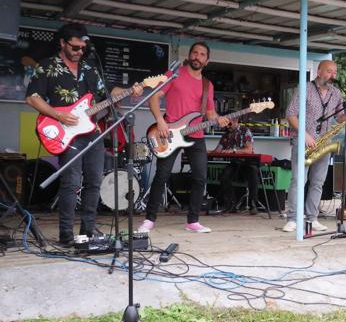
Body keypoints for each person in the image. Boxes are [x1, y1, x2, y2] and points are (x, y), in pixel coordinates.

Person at [25, 23, 143, 246]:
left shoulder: (90, 68)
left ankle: (87, 232)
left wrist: (131, 90)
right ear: (62, 43)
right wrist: (59, 116)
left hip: (93, 131)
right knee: (71, 183)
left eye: (83, 48)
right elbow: (32, 97)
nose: (80, 52)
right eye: (75, 47)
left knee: (94, 182)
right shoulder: (48, 66)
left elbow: (108, 94)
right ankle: (66, 236)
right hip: (66, 133)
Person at [138, 42, 228, 233]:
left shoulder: (207, 85)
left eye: (202, 54)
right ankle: (149, 219)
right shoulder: (175, 74)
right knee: (162, 175)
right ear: (189, 55)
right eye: (195, 53)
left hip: (196, 136)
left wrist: (219, 119)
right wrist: (160, 121)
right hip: (169, 132)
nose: (197, 57)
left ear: (207, 60)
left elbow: (210, 113)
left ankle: (193, 221)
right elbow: (154, 97)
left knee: (200, 178)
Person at [282, 60, 346, 232]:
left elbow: (338, 117)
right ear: (319, 71)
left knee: (318, 183)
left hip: (324, 142)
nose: (333, 75)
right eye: (329, 71)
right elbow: (291, 114)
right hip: (304, 140)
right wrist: (305, 135)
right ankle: (293, 218)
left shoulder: (336, 93)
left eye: (335, 72)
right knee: (299, 180)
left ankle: (312, 217)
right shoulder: (305, 88)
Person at [213, 113, 259, 215]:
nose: (227, 125)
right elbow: (217, 151)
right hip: (234, 163)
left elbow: (248, 150)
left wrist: (233, 151)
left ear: (235, 120)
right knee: (224, 176)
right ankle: (231, 204)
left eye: (229, 123)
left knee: (253, 174)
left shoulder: (245, 131)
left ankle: (253, 204)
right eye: (226, 123)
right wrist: (204, 151)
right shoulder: (226, 135)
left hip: (247, 162)